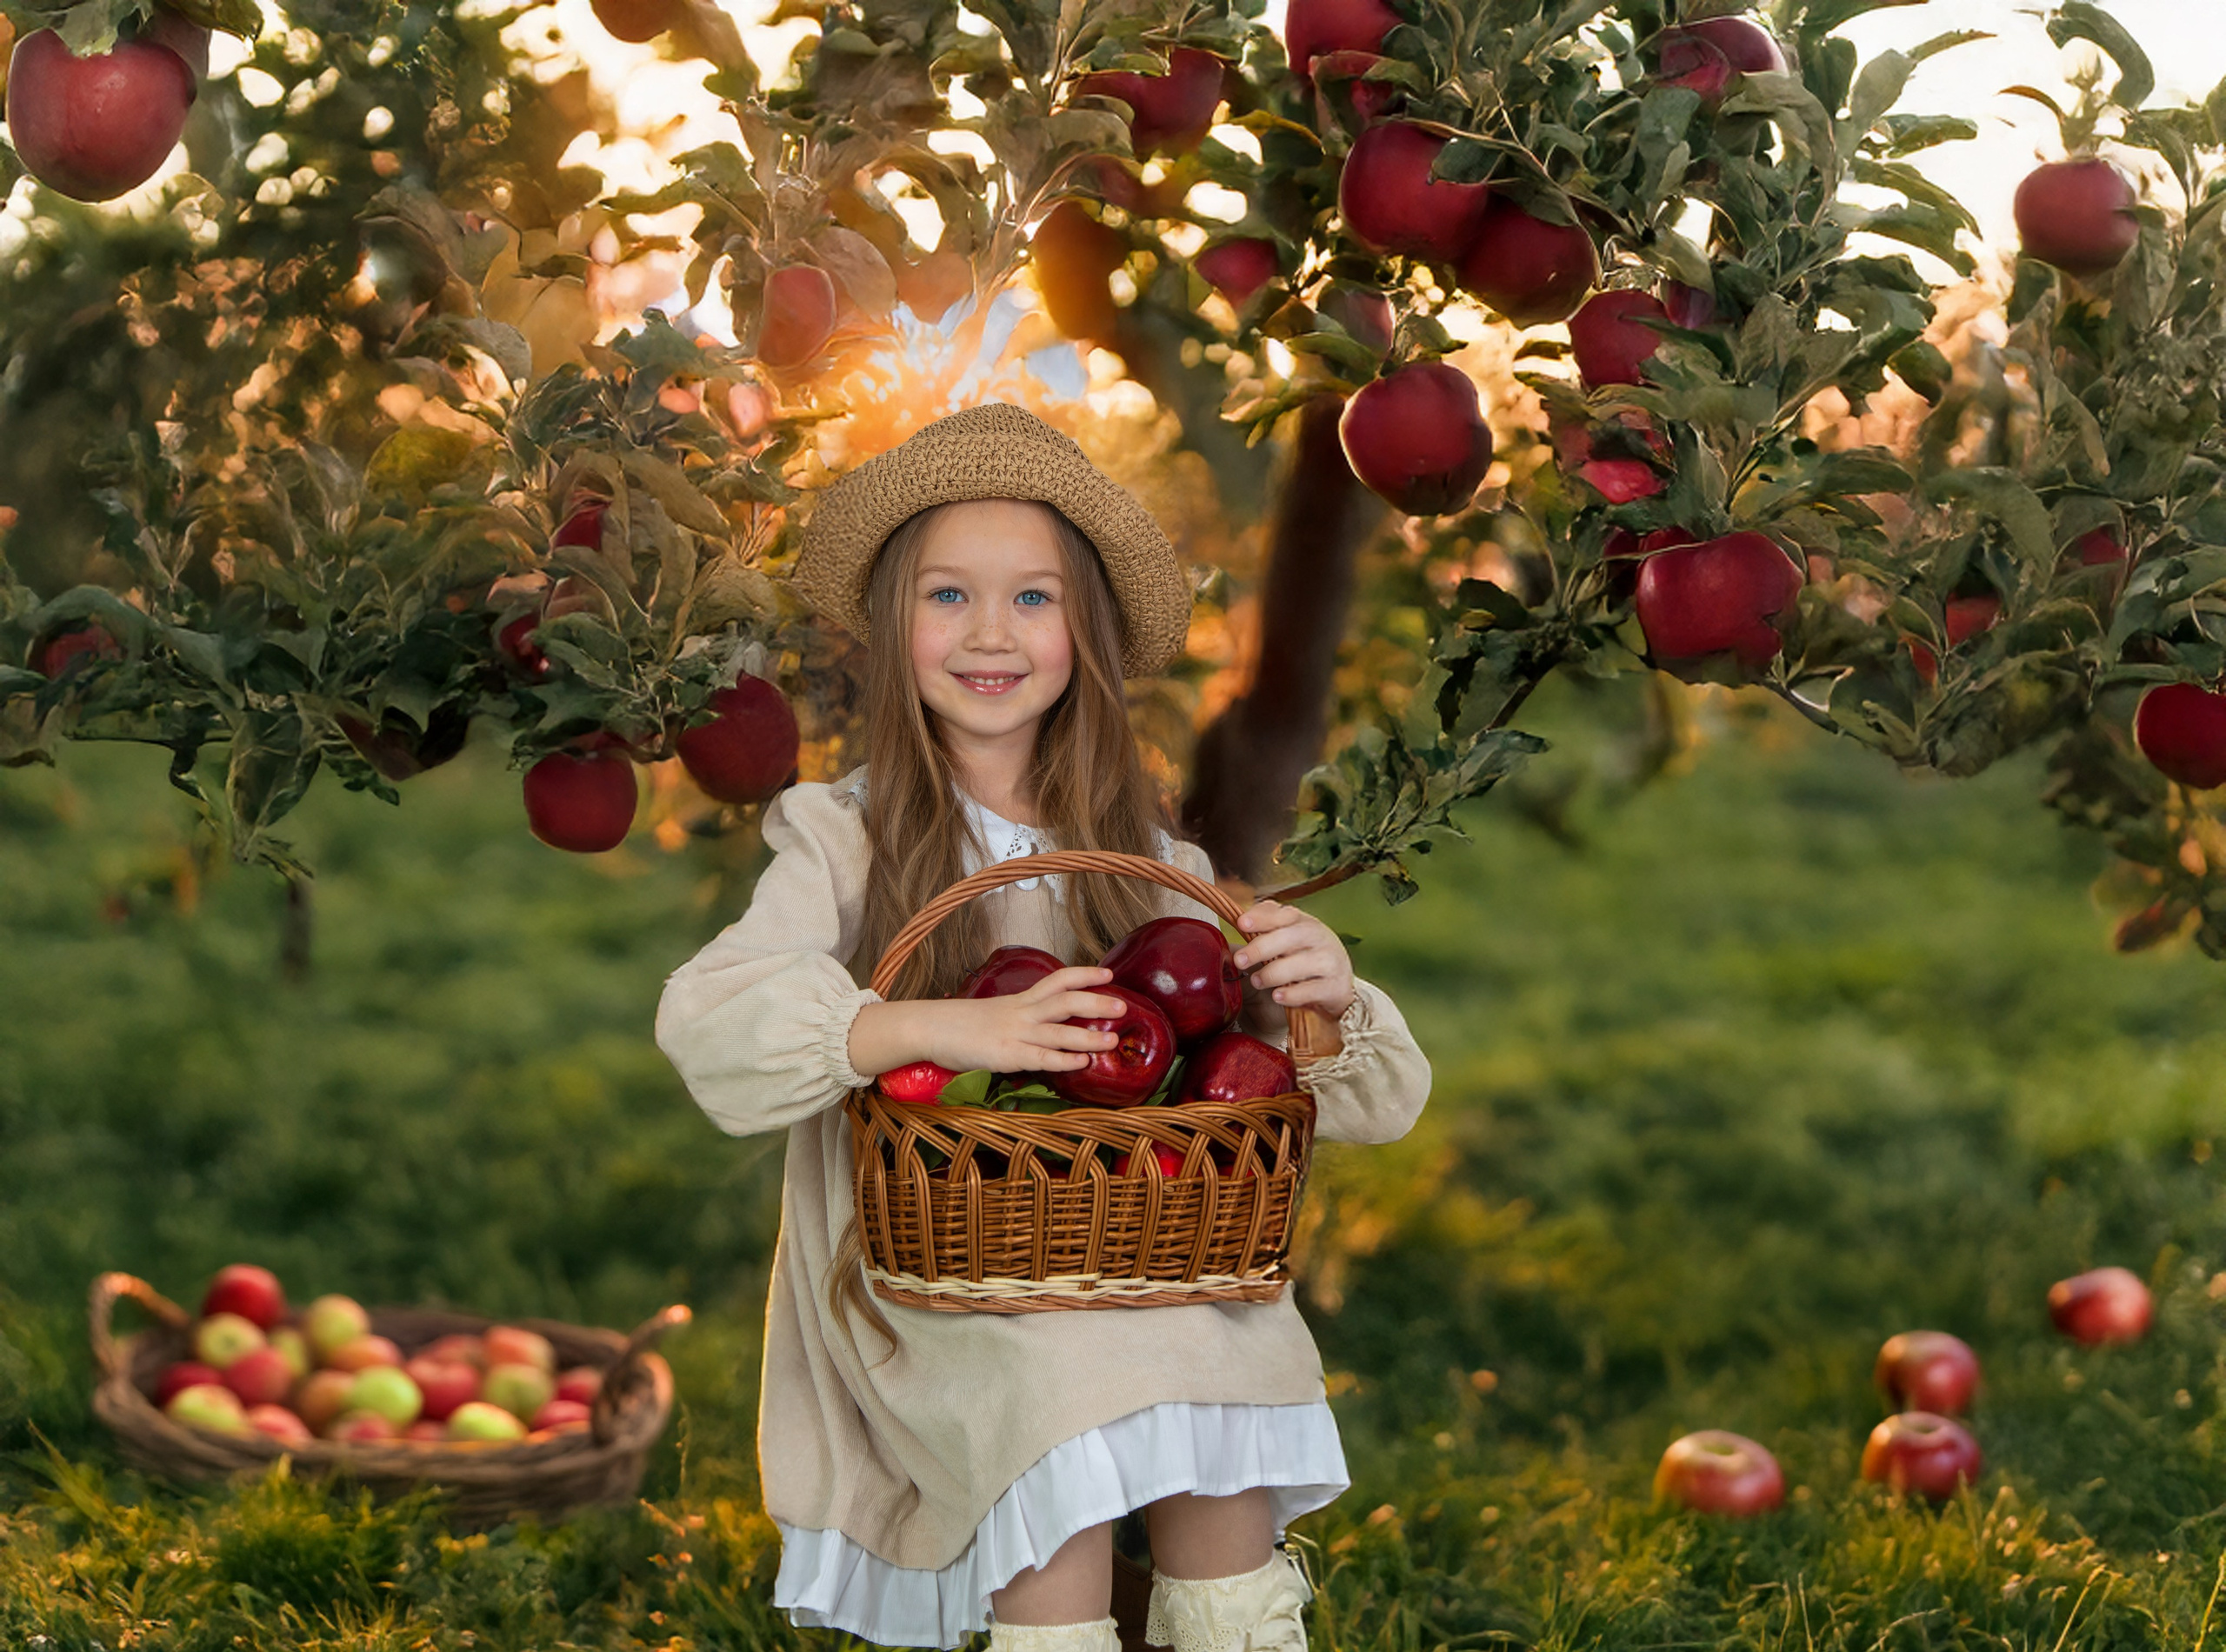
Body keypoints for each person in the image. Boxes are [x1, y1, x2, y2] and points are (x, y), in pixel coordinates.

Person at [656, 403, 1431, 1652]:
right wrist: (954, 1034)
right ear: (893, 624)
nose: (989, 636)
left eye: (1032, 601)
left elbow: (1334, 1102)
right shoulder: (840, 835)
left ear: (1086, 635)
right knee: (1054, 1400)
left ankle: (1234, 1628)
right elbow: (708, 1018)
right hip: (939, 1280)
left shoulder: (1147, 857)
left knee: (1229, 1352)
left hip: (1138, 1245)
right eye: (949, 597)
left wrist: (1319, 996)